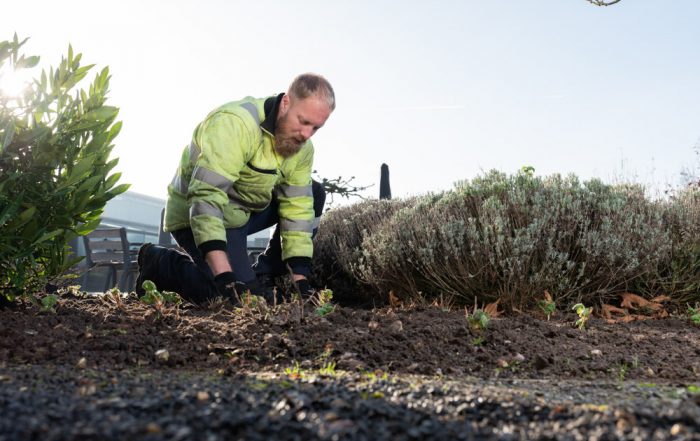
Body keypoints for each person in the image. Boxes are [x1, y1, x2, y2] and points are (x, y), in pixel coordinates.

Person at [135, 73, 335, 305]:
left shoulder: (303, 148)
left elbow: (297, 209)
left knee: (314, 192)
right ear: (286, 102)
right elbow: (206, 199)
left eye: (316, 128)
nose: (307, 135)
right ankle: (160, 263)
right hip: (197, 214)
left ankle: (265, 275)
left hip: (243, 213)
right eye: (303, 121)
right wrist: (225, 276)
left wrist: (302, 281)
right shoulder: (234, 123)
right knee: (227, 297)